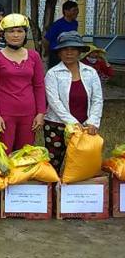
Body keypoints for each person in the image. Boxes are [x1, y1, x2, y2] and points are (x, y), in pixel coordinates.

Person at [44, 31, 103, 171]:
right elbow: (54, 102)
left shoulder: (90, 72)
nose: (69, 53)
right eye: (65, 49)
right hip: (57, 125)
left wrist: (93, 122)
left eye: (73, 49)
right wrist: (73, 123)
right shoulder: (53, 73)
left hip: (85, 126)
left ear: (80, 52)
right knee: (53, 164)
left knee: (81, 165)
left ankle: (75, 192)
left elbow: (97, 99)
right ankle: (52, 191)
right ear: (59, 52)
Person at [0, 13, 46, 151]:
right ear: (3, 34)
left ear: (25, 34)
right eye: (11, 31)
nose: (16, 35)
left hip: (29, 114)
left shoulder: (34, 56)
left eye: (20, 31)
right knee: (4, 154)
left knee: (25, 154)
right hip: (5, 114)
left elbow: (39, 85)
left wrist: (40, 113)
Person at [44, 1, 80, 68]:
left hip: (70, 53)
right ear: (66, 11)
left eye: (77, 10)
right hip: (56, 54)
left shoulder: (75, 23)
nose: (77, 12)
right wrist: (48, 52)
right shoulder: (57, 25)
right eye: (74, 10)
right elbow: (46, 40)